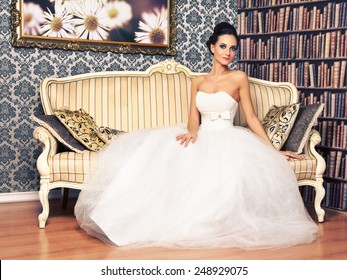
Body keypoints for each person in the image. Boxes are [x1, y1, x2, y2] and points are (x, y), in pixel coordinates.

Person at [75, 22, 318, 249]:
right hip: (202, 134)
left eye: (233, 48)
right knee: (158, 154)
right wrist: (192, 133)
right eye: (223, 46)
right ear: (212, 47)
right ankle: (120, 218)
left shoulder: (238, 78)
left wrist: (273, 151)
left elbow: (252, 118)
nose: (228, 53)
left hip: (228, 138)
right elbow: (193, 117)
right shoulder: (197, 81)